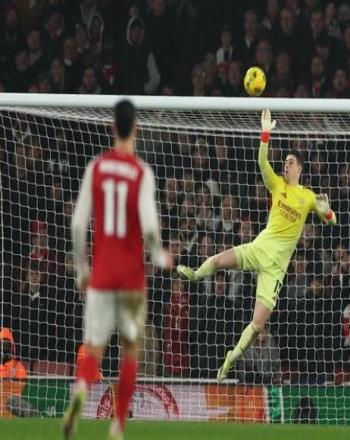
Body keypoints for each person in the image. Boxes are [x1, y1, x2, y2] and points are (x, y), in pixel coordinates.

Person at [177, 109, 337, 382]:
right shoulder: (277, 185)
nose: (285, 166)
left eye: (290, 163)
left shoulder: (308, 196)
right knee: (219, 261)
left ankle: (231, 359)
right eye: (284, 162)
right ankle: (194, 274)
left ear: (299, 168)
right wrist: (265, 133)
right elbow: (262, 162)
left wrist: (328, 211)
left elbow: (332, 221)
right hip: (258, 248)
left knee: (258, 323)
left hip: (275, 269)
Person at [63, 100, 173, 440]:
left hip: (102, 275)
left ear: (112, 128)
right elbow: (150, 227)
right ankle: (118, 426)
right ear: (136, 129)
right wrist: (159, 255)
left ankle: (81, 390)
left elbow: (78, 224)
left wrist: (82, 268)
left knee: (94, 348)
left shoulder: (96, 167)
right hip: (131, 278)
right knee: (130, 351)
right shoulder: (141, 172)